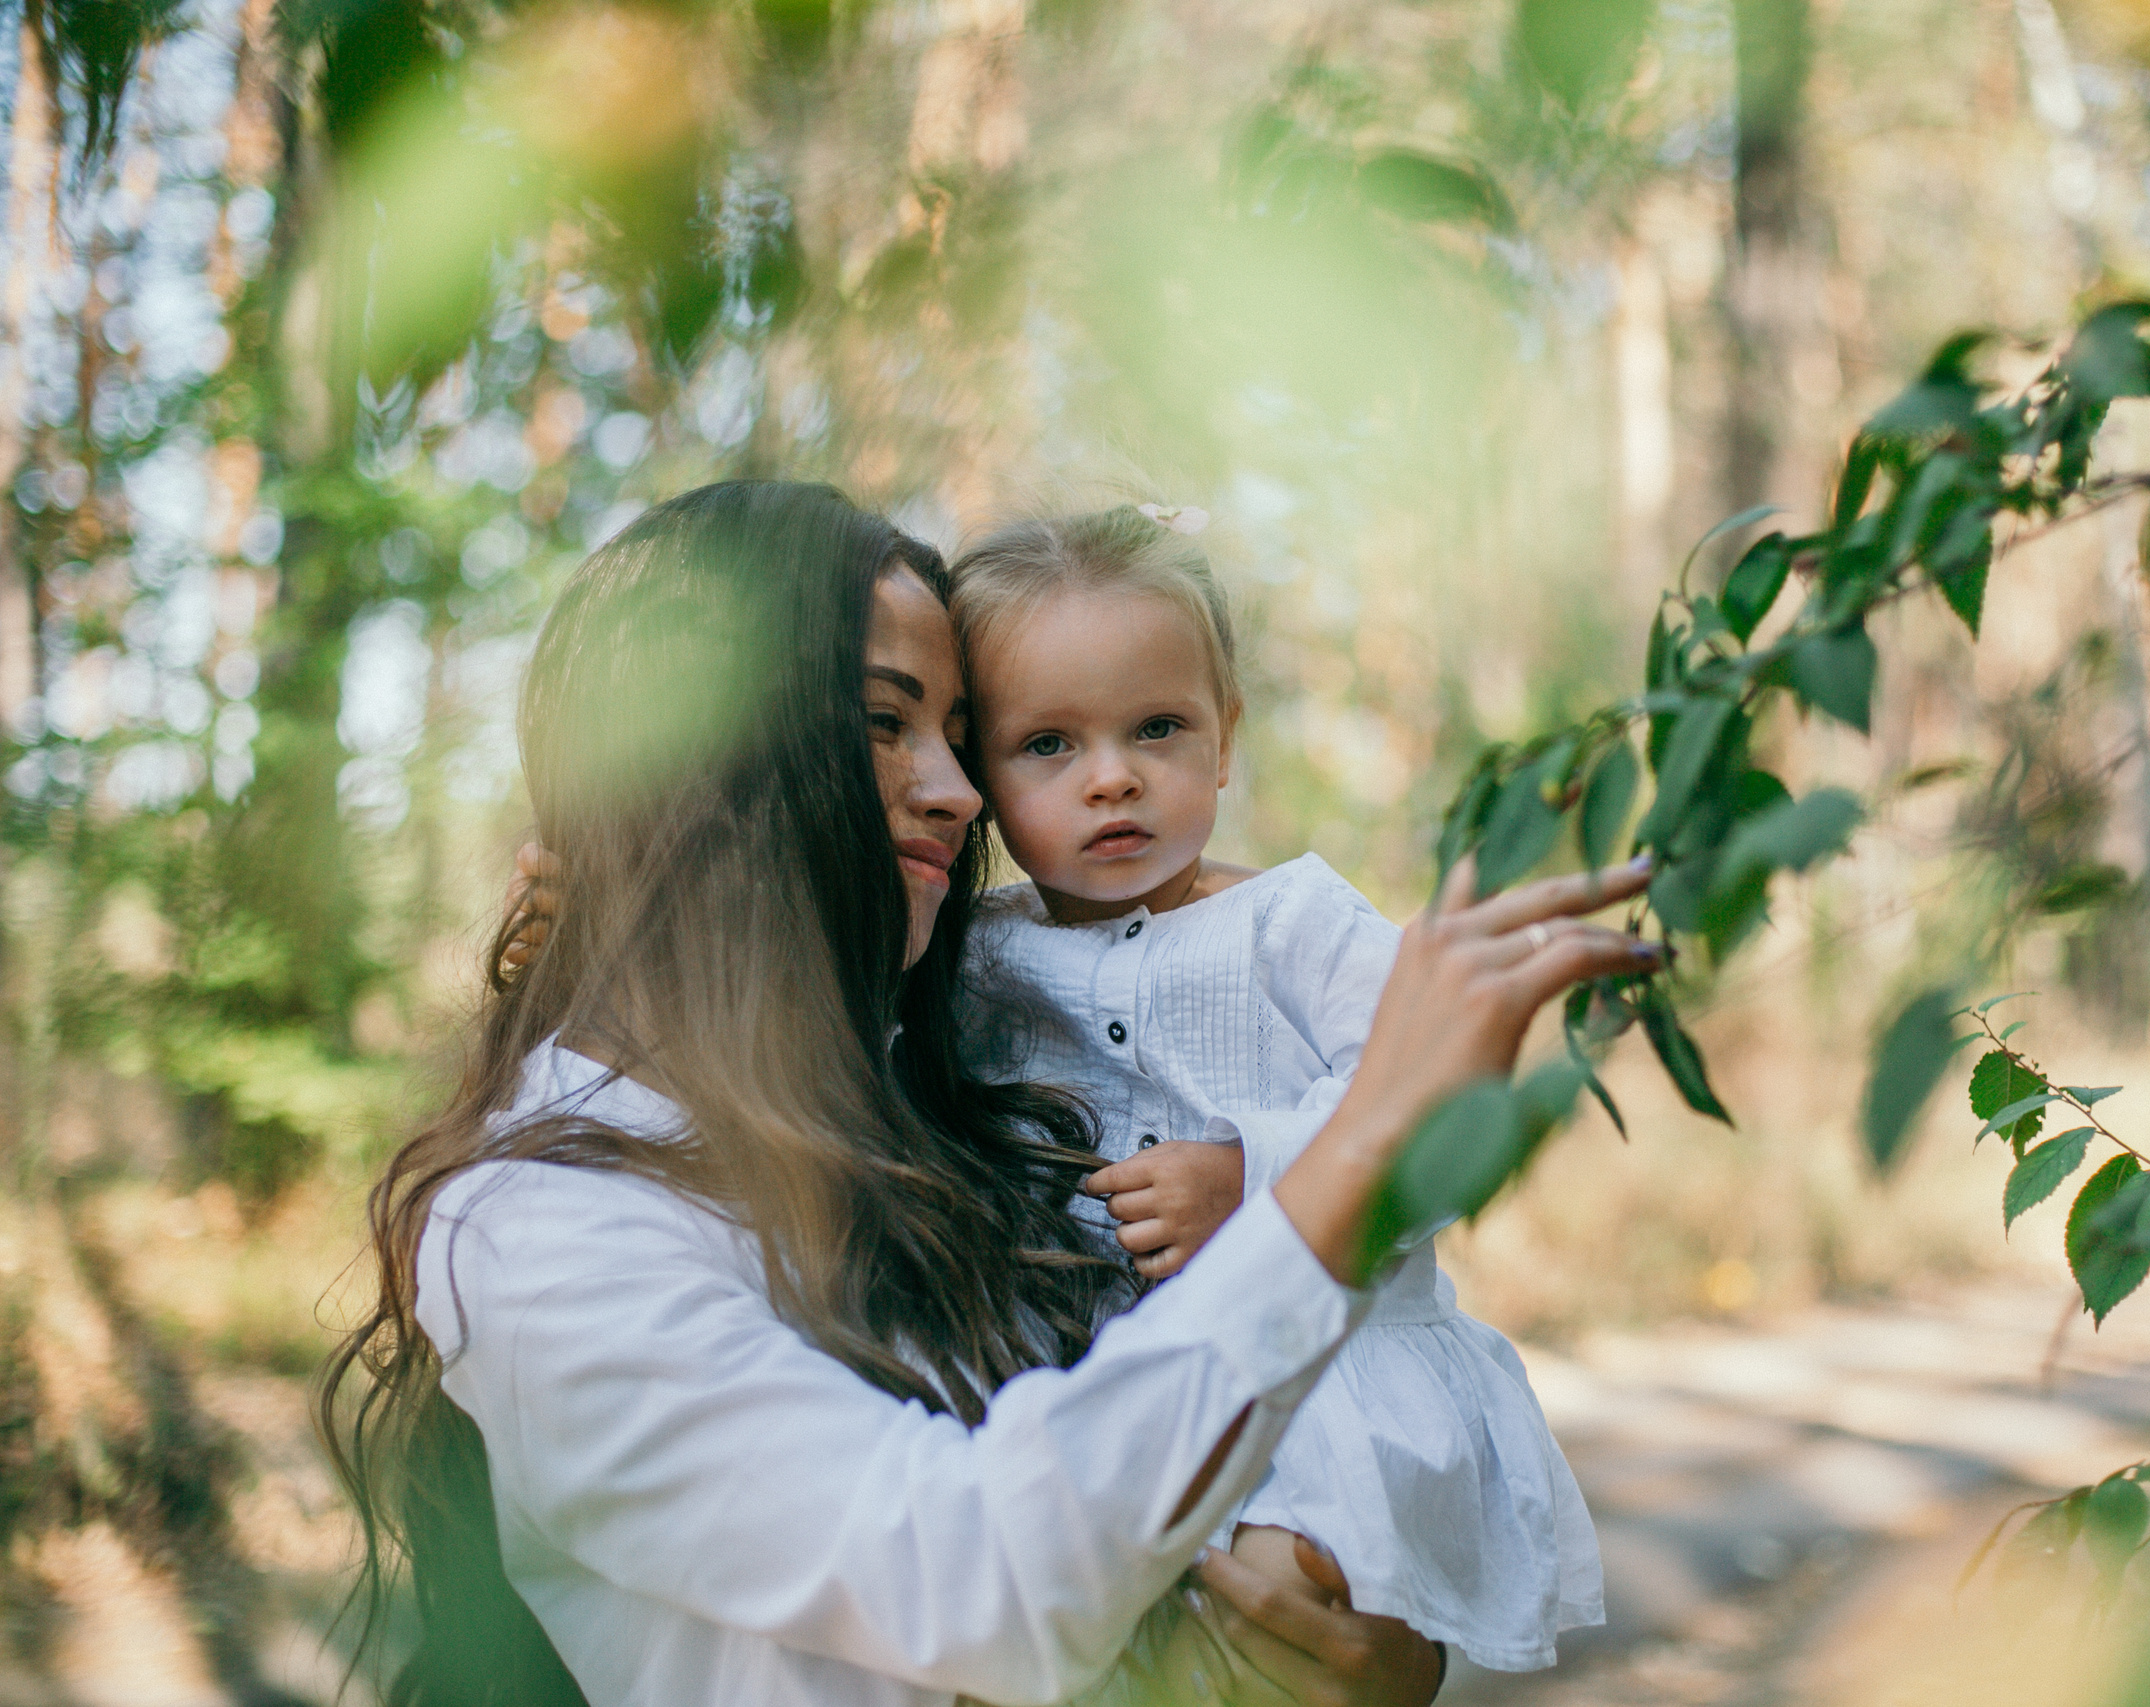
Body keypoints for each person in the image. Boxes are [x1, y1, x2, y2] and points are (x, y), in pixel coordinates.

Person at [319, 480, 1656, 1707]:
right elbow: (972, 1577)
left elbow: (1115, 1480)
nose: (962, 793)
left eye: (962, 735)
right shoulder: (545, 1220)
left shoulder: (923, 1090)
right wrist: (1346, 1164)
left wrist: (1355, 1650)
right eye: (884, 722)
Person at [947, 505, 1602, 1672]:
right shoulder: (981, 957)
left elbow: (1442, 1121)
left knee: (1271, 1600)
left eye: (1157, 728)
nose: (1112, 778)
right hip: (1102, 1389)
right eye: (1047, 744)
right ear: (982, 776)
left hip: (1320, 1382)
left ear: (1225, 739)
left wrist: (1256, 1177)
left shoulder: (1296, 924)